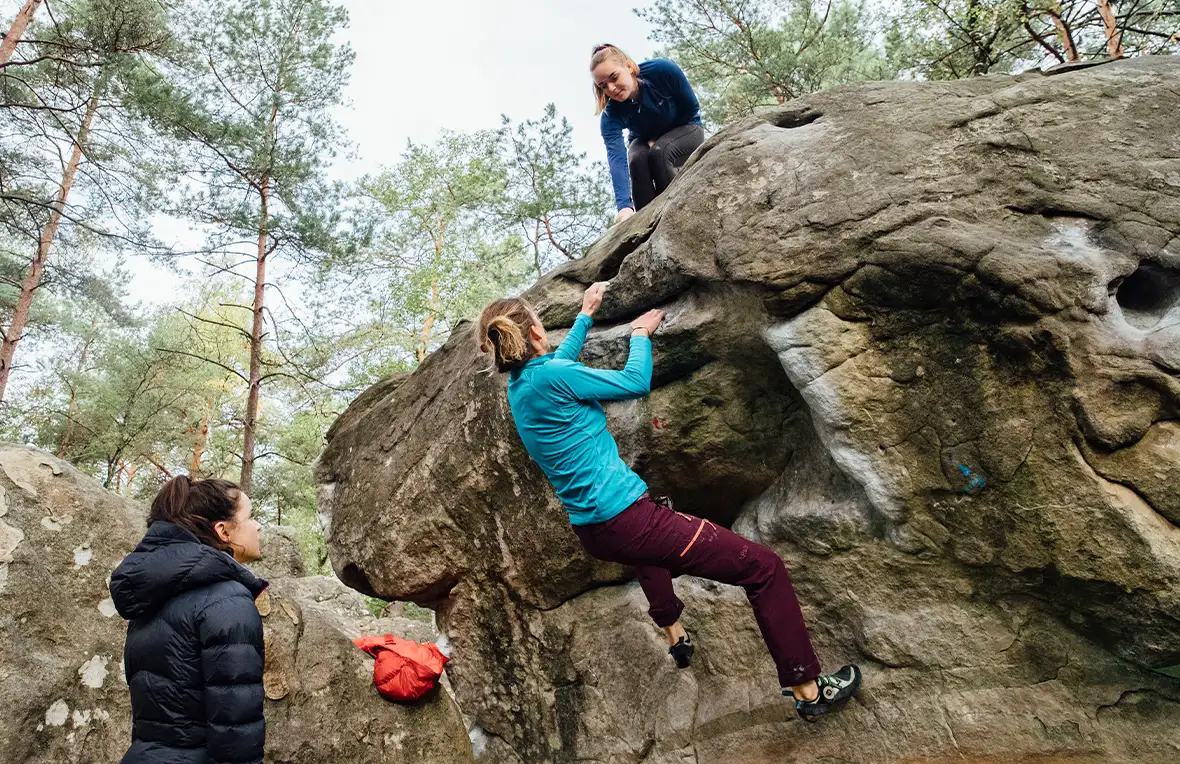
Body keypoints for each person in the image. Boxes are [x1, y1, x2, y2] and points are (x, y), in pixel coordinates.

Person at [477, 283, 862, 722]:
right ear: (534, 336)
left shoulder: (521, 386)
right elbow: (635, 382)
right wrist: (640, 334)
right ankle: (809, 690)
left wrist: (586, 314)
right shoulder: (552, 375)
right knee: (763, 568)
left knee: (650, 539)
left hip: (596, 530)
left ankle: (674, 633)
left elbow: (558, 363)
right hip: (627, 519)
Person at [111, 475, 267, 763]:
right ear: (223, 531)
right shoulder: (227, 599)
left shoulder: (155, 597)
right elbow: (235, 732)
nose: (257, 526)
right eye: (250, 517)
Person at [592, 44, 705, 225]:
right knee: (637, 158)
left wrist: (660, 137)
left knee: (660, 153)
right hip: (644, 139)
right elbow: (616, 157)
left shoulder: (662, 71)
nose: (611, 89)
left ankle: (678, 219)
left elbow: (691, 108)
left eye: (614, 77)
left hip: (688, 128)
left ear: (628, 66)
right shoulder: (610, 115)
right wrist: (624, 206)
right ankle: (647, 226)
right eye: (603, 86)